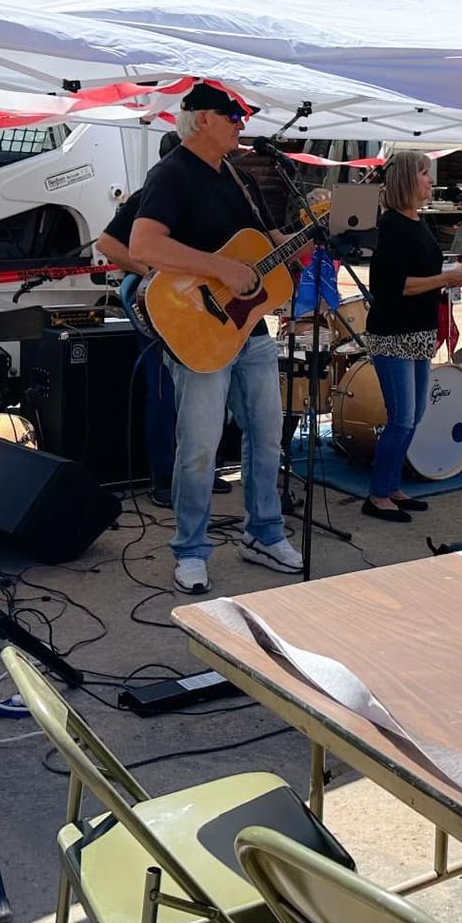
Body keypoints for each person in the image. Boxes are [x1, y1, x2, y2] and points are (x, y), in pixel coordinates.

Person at [128, 83, 306, 594]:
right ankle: (189, 550)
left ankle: (264, 534)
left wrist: (302, 239)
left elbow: (258, 246)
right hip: (198, 329)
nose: (240, 123)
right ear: (201, 118)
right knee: (200, 447)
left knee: (268, 435)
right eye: (232, 115)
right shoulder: (171, 174)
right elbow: (143, 244)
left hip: (249, 329)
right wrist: (221, 269)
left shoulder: (237, 177)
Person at [360, 152, 462, 524]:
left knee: (416, 414)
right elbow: (392, 286)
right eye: (424, 173)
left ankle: (392, 486)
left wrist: (452, 271)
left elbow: (422, 272)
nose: (430, 180)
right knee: (402, 417)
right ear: (407, 180)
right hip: (394, 334)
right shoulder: (391, 227)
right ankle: (377, 495)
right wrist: (447, 279)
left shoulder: (415, 222)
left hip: (418, 332)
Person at [96, 188, 180, 507]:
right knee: (162, 386)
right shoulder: (151, 196)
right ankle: (164, 474)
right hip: (155, 299)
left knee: (202, 385)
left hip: (193, 305)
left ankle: (195, 469)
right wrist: (154, 275)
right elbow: (107, 243)